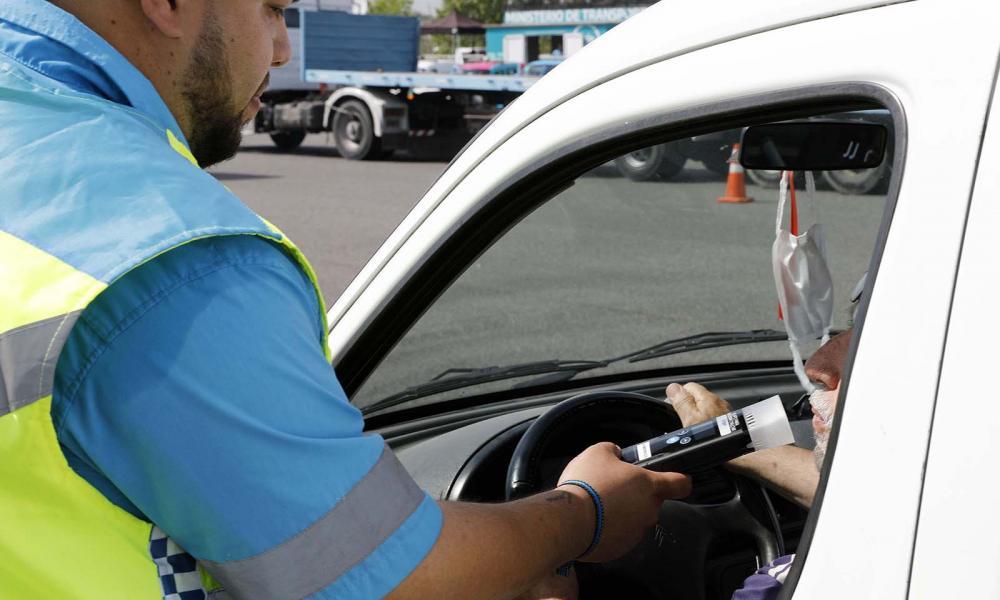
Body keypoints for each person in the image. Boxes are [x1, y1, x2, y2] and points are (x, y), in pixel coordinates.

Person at [0, 1, 691, 599]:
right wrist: (588, 512)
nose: (282, 46)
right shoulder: (172, 261)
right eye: (271, 8)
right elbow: (393, 582)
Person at [668, 328, 853, 598]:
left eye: (868, 336)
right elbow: (867, 498)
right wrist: (731, 438)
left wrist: (587, 513)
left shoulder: (781, 588)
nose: (813, 366)